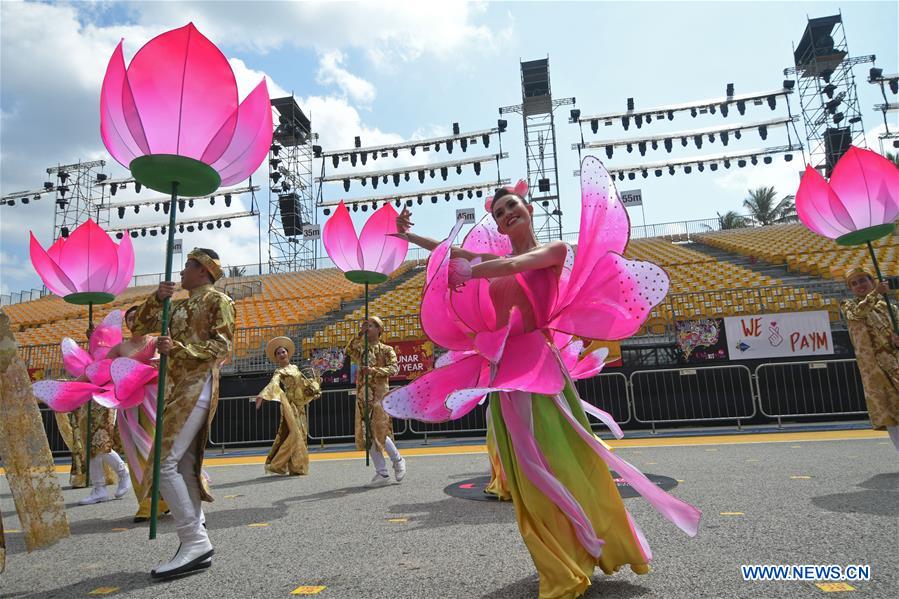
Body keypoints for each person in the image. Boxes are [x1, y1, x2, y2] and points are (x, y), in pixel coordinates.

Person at [387, 166, 699, 598]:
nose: (506, 215)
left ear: (527, 209)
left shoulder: (554, 249)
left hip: (540, 372)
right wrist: (411, 240)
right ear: (496, 223)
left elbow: (516, 263)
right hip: (503, 375)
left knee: (566, 465)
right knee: (528, 481)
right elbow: (452, 252)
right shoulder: (493, 262)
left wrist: (470, 273)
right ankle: (559, 562)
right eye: (498, 213)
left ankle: (593, 546)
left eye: (510, 206)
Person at [132, 248, 235, 579]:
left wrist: (179, 349)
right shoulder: (174, 304)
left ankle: (194, 540)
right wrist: (155, 297)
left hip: (197, 385)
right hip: (177, 388)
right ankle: (195, 538)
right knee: (184, 464)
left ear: (203, 271)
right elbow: (141, 326)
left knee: (165, 462)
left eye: (188, 267)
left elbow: (222, 347)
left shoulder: (218, 300)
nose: (181, 273)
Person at [104, 306, 171, 522]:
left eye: (138, 317)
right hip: (128, 402)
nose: (134, 321)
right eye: (130, 319)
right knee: (135, 450)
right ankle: (147, 501)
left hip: (153, 398)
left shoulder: (156, 341)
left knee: (155, 447)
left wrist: (161, 356)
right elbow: (99, 368)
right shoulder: (120, 348)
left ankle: (168, 497)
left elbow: (165, 357)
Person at [842, 268, 899, 451]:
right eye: (854, 283)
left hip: (895, 363)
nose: (859, 285)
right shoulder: (848, 306)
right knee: (890, 412)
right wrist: (876, 293)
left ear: (872, 281)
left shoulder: (890, 307)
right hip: (875, 370)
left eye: (862, 280)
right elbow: (859, 313)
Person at [344, 317, 406, 487]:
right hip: (363, 397)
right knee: (367, 434)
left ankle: (398, 460)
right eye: (366, 326)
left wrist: (374, 370)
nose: (367, 328)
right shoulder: (361, 351)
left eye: (371, 325)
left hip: (379, 395)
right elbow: (349, 350)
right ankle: (382, 473)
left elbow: (394, 368)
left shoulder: (387, 350)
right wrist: (358, 334)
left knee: (380, 430)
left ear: (379, 330)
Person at [254, 336, 322, 475]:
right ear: (276, 357)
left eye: (283, 352)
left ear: (287, 353)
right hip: (289, 405)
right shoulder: (279, 372)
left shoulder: (296, 368)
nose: (281, 354)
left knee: (301, 433)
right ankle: (277, 464)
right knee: (295, 433)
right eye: (278, 353)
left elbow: (303, 384)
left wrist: (313, 388)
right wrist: (263, 394)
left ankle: (296, 467)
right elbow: (274, 383)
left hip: (299, 404)